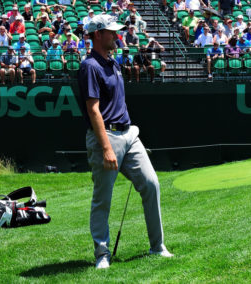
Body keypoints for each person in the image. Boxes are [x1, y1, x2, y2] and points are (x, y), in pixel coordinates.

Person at [78, 14, 173, 269]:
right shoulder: (90, 66)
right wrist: (107, 148)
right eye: (111, 31)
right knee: (103, 199)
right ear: (97, 34)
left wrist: (130, 133)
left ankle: (157, 247)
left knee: (151, 184)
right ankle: (102, 255)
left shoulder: (113, 62)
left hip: (129, 135)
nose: (116, 35)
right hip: (105, 138)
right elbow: (93, 110)